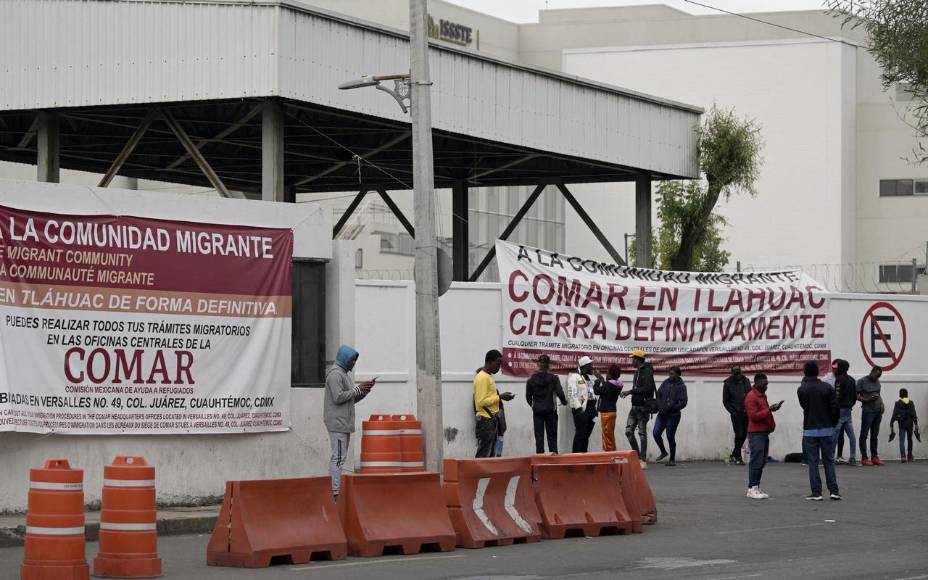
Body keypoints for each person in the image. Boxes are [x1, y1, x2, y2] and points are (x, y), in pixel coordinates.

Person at [324, 344, 373, 498]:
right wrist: (357, 389)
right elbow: (338, 397)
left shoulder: (344, 374)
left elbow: (350, 399)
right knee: (338, 458)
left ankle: (334, 490)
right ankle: (334, 492)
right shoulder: (335, 375)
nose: (353, 363)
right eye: (352, 360)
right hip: (337, 423)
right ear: (345, 358)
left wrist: (364, 391)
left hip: (344, 424)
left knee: (340, 457)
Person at [797, 361, 841, 501]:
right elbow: (835, 409)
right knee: (829, 461)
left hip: (810, 429)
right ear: (817, 372)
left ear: (805, 372)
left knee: (813, 463)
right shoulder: (827, 388)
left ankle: (816, 492)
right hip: (827, 429)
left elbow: (804, 406)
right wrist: (832, 424)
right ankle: (834, 491)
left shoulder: (801, 389)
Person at [744, 373, 783, 499]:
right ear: (756, 382)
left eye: (767, 383)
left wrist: (772, 409)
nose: (766, 386)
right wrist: (769, 410)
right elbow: (754, 416)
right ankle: (752, 488)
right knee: (756, 460)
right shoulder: (751, 397)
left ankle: (756, 486)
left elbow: (762, 413)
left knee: (762, 461)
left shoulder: (761, 396)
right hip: (756, 433)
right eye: (764, 383)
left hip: (764, 432)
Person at [474, 349, 515, 458]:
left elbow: (488, 397)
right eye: (498, 363)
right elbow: (481, 401)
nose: (499, 367)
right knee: (484, 454)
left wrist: (501, 397)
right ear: (490, 362)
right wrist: (500, 397)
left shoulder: (488, 377)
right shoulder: (482, 377)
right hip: (486, 420)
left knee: (490, 454)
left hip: (491, 420)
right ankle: (478, 474)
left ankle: (486, 474)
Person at [525, 354, 567, 454]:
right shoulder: (554, 378)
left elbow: (528, 397)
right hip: (551, 411)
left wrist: (534, 405)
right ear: (548, 365)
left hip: (537, 412)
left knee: (539, 439)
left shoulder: (531, 380)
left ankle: (540, 462)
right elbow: (560, 393)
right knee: (552, 438)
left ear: (538, 364)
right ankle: (554, 462)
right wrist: (564, 402)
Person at [622, 350, 656, 468]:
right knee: (628, 432)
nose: (632, 361)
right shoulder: (637, 371)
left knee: (642, 433)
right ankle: (636, 457)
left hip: (643, 407)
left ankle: (643, 459)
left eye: (633, 359)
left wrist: (630, 391)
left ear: (637, 359)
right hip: (634, 406)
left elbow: (648, 388)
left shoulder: (647, 371)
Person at [653, 366, 688, 467]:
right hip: (662, 414)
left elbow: (684, 402)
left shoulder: (681, 386)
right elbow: (658, 394)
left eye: (672, 374)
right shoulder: (665, 382)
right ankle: (663, 452)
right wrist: (659, 405)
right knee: (656, 433)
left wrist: (674, 406)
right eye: (669, 373)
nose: (670, 376)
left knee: (670, 436)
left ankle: (672, 459)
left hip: (673, 416)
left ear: (678, 374)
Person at [566, 356, 601, 453]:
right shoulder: (574, 376)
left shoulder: (589, 377)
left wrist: (599, 378)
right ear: (585, 366)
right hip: (582, 410)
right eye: (590, 365)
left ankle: (584, 455)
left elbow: (592, 391)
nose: (592, 367)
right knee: (580, 434)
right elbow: (571, 394)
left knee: (586, 435)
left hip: (591, 410)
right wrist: (578, 408)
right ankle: (575, 457)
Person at [831, 359, 858, 466]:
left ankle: (830, 457)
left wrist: (834, 409)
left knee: (834, 434)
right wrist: (850, 405)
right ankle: (852, 457)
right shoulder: (852, 379)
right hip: (848, 410)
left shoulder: (839, 379)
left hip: (840, 410)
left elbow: (837, 396)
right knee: (851, 435)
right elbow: (854, 396)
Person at [723, 366, 752, 466]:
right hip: (736, 414)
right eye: (736, 373)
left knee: (744, 435)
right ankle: (738, 457)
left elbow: (750, 395)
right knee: (738, 434)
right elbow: (725, 401)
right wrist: (733, 412)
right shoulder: (728, 384)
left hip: (746, 412)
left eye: (739, 372)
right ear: (732, 374)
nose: (738, 375)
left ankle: (734, 454)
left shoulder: (746, 381)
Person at [857, 366, 884, 466]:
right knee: (864, 435)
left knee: (874, 435)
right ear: (872, 372)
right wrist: (867, 400)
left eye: (879, 376)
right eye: (876, 375)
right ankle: (864, 457)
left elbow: (879, 394)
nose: (877, 378)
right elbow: (856, 395)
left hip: (878, 412)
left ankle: (874, 457)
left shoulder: (877, 382)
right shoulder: (861, 381)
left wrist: (882, 404)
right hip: (868, 411)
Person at [594, 364, 623, 452]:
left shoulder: (608, 386)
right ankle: (611, 452)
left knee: (607, 435)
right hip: (612, 411)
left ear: (610, 375)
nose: (606, 374)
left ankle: (609, 454)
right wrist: (602, 378)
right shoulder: (617, 385)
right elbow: (606, 388)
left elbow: (597, 391)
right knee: (610, 434)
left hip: (606, 413)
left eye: (607, 373)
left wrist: (597, 380)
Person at [889, 388, 919, 463]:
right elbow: (914, 414)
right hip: (910, 424)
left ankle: (903, 457)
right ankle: (910, 456)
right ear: (907, 394)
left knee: (901, 440)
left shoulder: (897, 403)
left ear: (900, 395)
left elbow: (894, 413)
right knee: (910, 440)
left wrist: (891, 423)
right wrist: (916, 424)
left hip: (902, 424)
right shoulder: (911, 402)